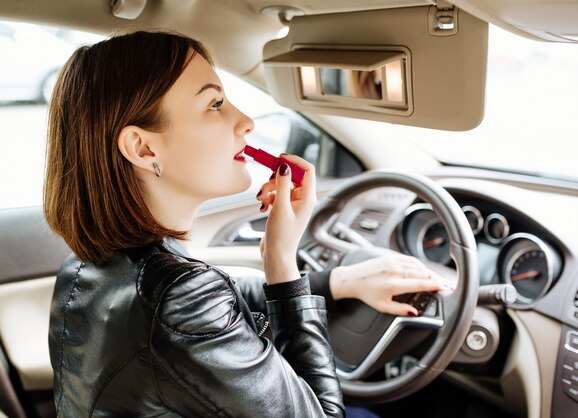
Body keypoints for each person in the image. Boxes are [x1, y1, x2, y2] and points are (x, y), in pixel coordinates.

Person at [44, 30, 446, 417]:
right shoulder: (176, 296)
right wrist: (282, 264)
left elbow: (223, 305)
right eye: (214, 105)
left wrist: (340, 282)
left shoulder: (86, 265)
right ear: (143, 147)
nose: (247, 122)